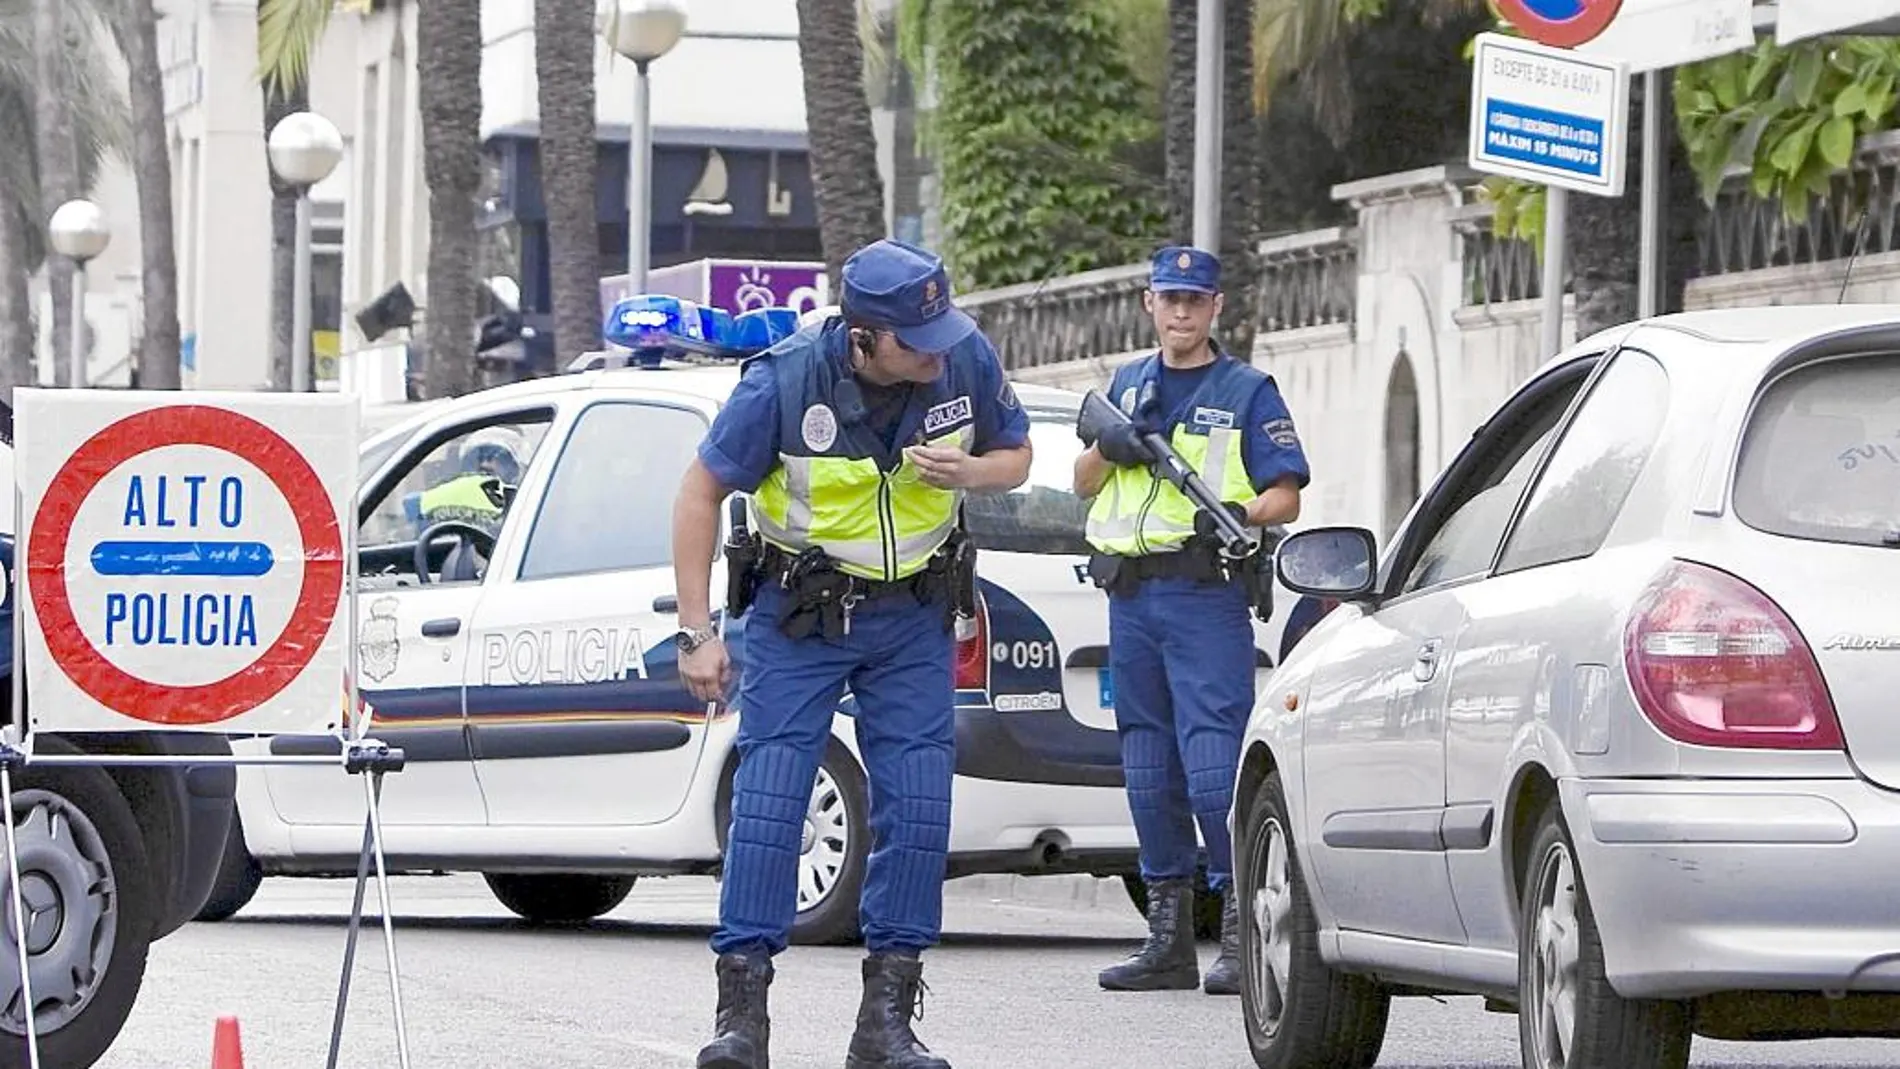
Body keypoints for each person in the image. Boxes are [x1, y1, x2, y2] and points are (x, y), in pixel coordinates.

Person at [671, 238, 1034, 1069]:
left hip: (912, 615)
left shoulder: (961, 356)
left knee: (918, 806)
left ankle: (886, 1023)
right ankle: (742, 1017)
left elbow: (1017, 458)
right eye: (915, 339)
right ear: (864, 336)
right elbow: (698, 491)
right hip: (801, 616)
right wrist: (698, 633)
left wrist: (973, 472)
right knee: (770, 802)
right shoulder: (784, 381)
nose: (935, 351)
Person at [1072, 245, 1310, 996]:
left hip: (1203, 593)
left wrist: (1239, 513)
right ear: (1149, 303)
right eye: (1168, 297)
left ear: (1215, 308)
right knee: (1146, 768)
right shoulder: (1127, 384)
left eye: (1194, 299)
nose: (1180, 311)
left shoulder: (1244, 390)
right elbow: (1081, 482)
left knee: (1212, 763)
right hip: (1131, 596)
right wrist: (1111, 445)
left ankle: (1241, 928)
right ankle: (1167, 938)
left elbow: (1287, 493)